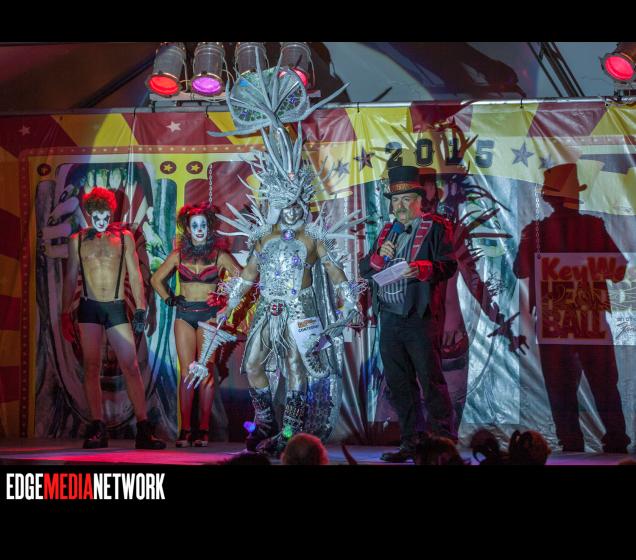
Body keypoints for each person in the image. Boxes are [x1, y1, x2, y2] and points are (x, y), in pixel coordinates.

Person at [207, 60, 361, 457]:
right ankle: (265, 424)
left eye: (296, 203)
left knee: (295, 368)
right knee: (253, 364)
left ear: (302, 202)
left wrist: (349, 298)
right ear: (275, 202)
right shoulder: (263, 236)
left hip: (300, 311)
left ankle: (290, 432)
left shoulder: (312, 236)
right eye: (283, 203)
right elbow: (248, 274)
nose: (290, 209)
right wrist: (230, 304)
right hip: (267, 309)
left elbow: (333, 269)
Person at [514, 164, 630, 453]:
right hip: (588, 318)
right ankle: (615, 439)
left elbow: (520, 270)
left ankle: (571, 441)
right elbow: (618, 270)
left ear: (551, 199)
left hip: (556, 320)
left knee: (560, 386)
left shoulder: (536, 231)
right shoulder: (592, 227)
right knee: (603, 383)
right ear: (572, 196)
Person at [359, 165, 458, 463]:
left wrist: (424, 268)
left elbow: (448, 265)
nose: (400, 206)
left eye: (406, 199)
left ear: (418, 200)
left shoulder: (436, 227)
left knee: (430, 380)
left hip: (419, 316)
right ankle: (411, 443)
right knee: (399, 383)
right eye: (395, 200)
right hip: (389, 317)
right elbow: (365, 269)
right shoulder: (386, 231)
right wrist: (379, 257)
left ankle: (442, 445)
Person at [61, 187, 165, 449]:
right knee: (91, 367)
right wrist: (64, 313)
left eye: (106, 215)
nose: (102, 220)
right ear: (89, 213)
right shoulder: (77, 239)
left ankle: (143, 428)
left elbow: (135, 274)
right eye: (97, 215)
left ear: (111, 212)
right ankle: (98, 427)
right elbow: (70, 277)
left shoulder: (124, 237)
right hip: (89, 308)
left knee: (131, 366)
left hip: (116, 307)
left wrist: (140, 308)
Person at [150, 202, 241, 447]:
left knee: (207, 371)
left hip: (209, 317)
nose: (199, 229)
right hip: (184, 315)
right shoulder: (178, 255)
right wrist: (168, 298)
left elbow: (242, 279)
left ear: (208, 228)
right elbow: (156, 279)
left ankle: (203, 429)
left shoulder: (220, 255)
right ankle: (185, 429)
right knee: (187, 372)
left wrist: (226, 302)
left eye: (203, 225)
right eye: (195, 225)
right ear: (188, 229)